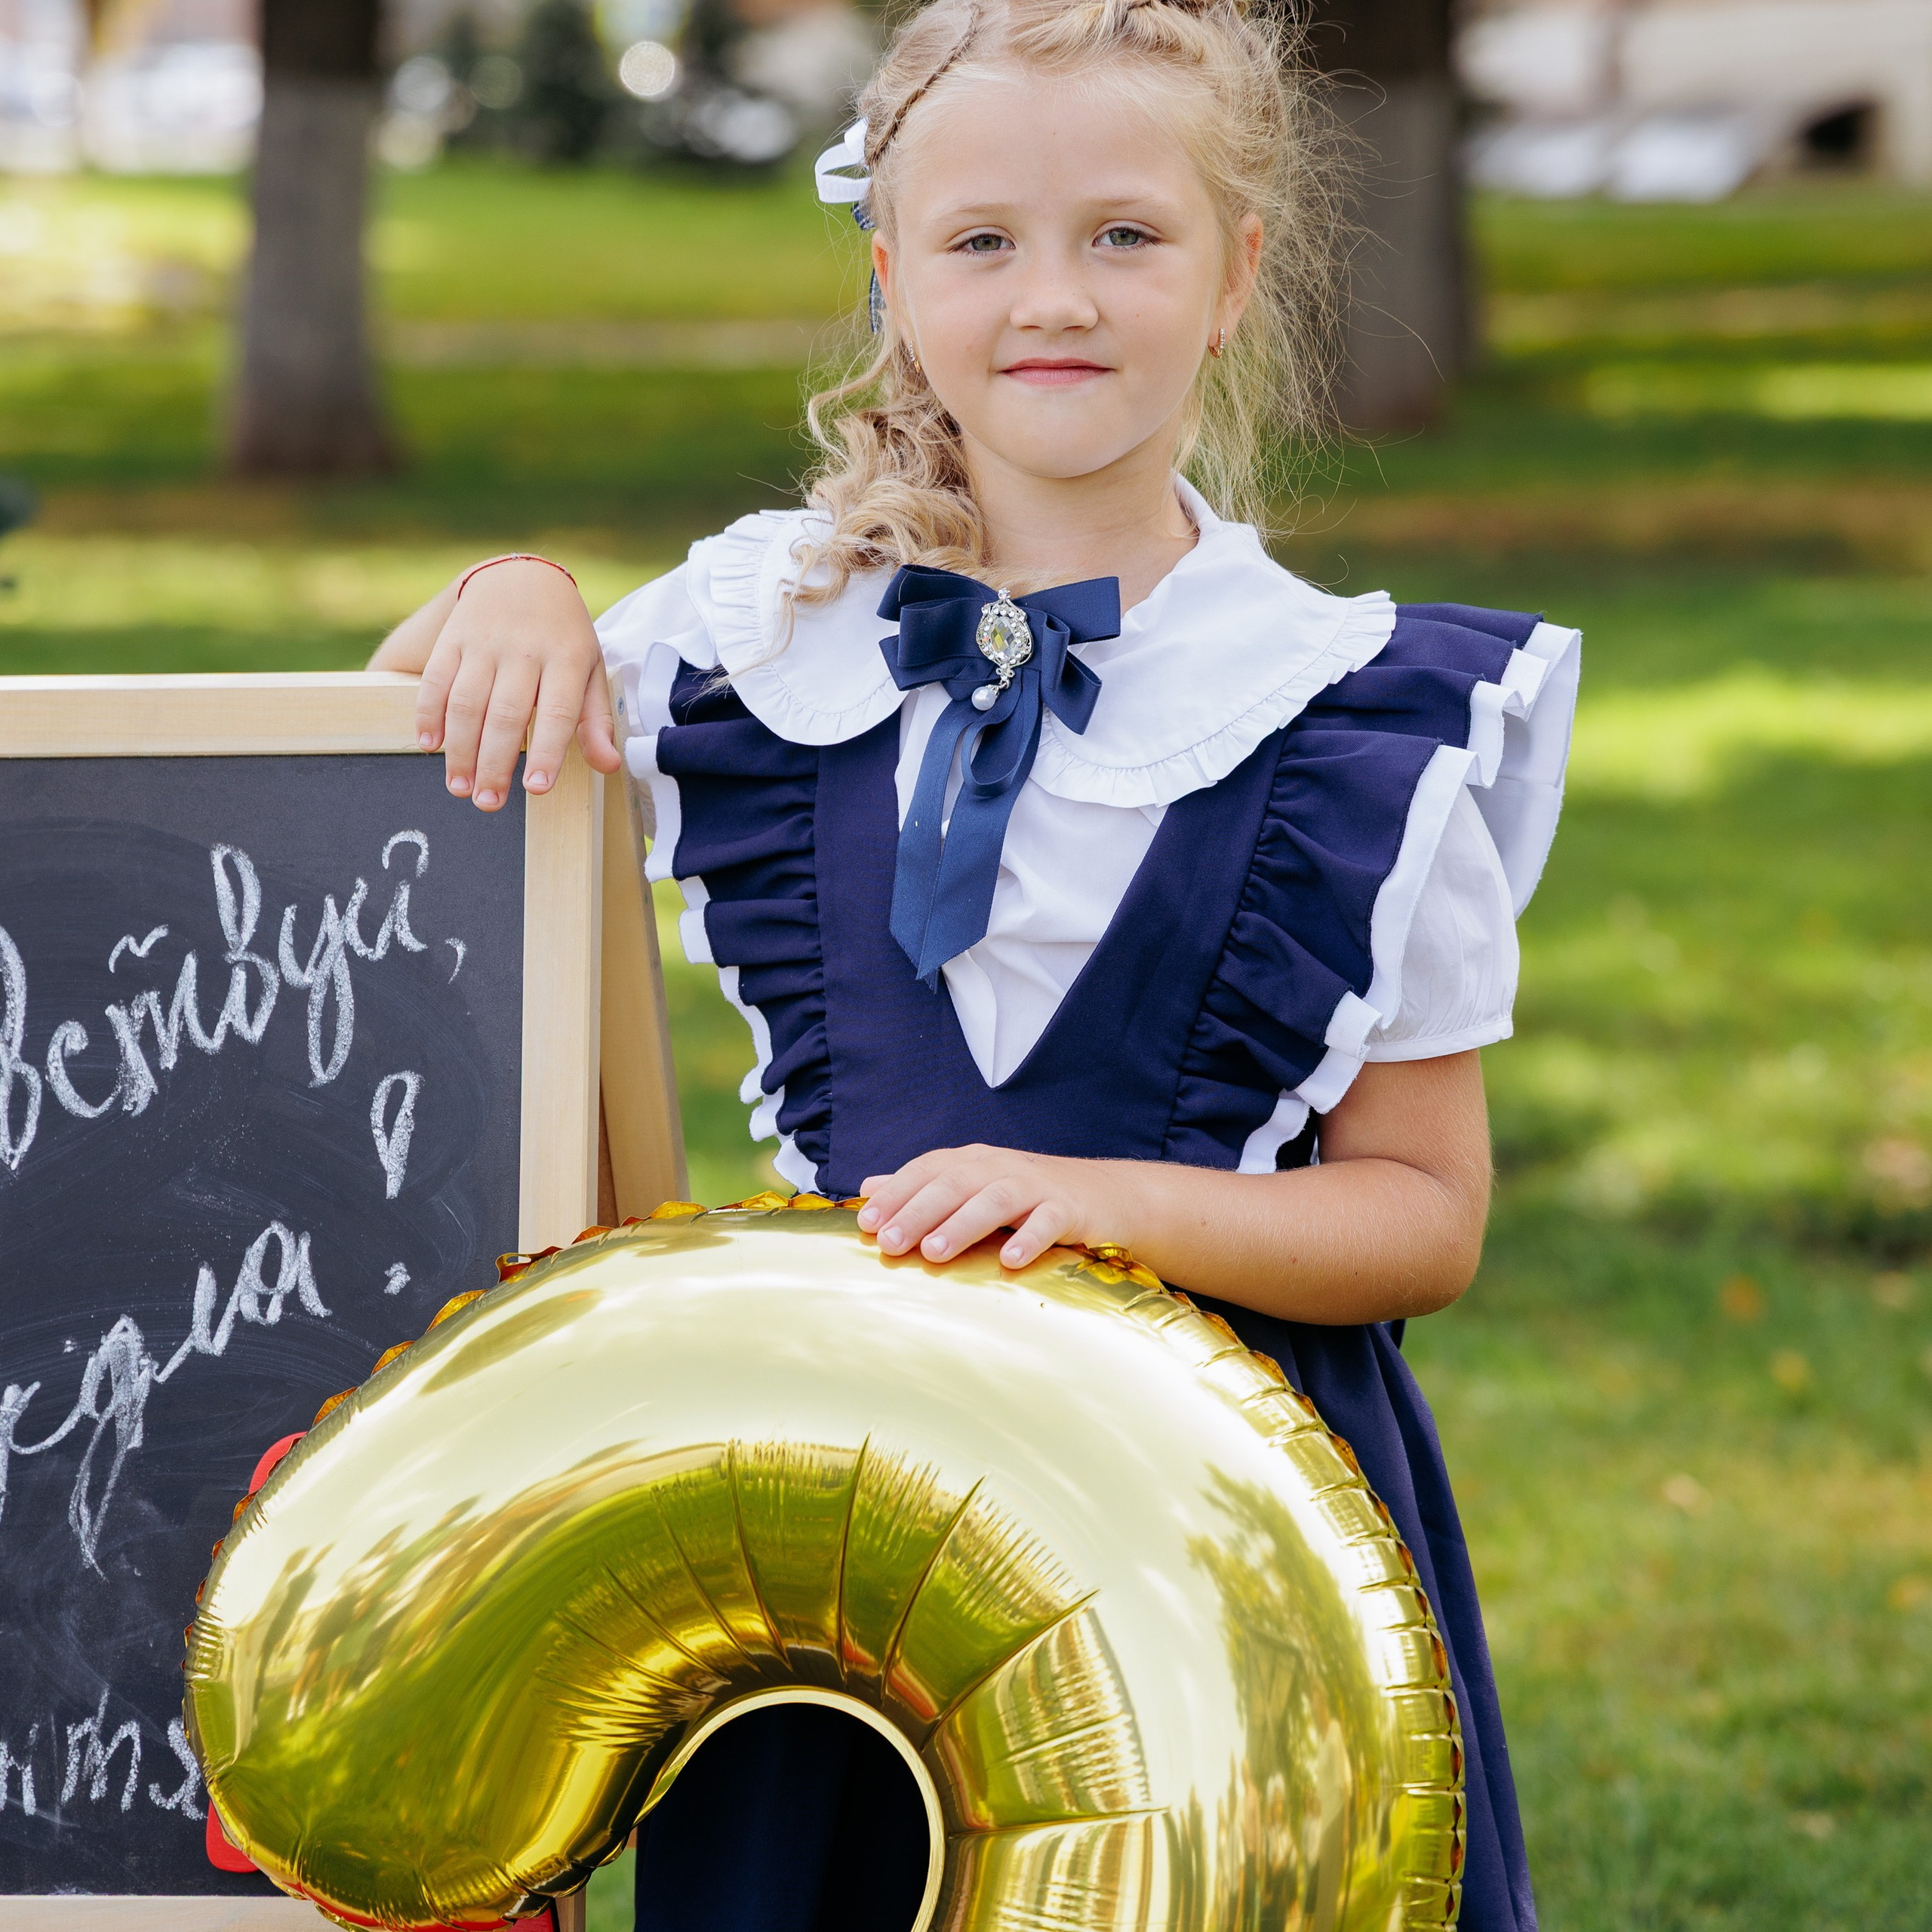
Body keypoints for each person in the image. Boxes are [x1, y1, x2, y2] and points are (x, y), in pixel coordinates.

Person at [372, 0, 1577, 1924]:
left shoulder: (1356, 714)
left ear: (1234, 267)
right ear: (889, 271)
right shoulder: (751, 634)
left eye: (1124, 234)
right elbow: (403, 792)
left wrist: (1094, 1201)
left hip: (1216, 1534)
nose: (1055, 299)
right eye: (981, 242)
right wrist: (500, 589)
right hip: (830, 1527)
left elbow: (1420, 1218)